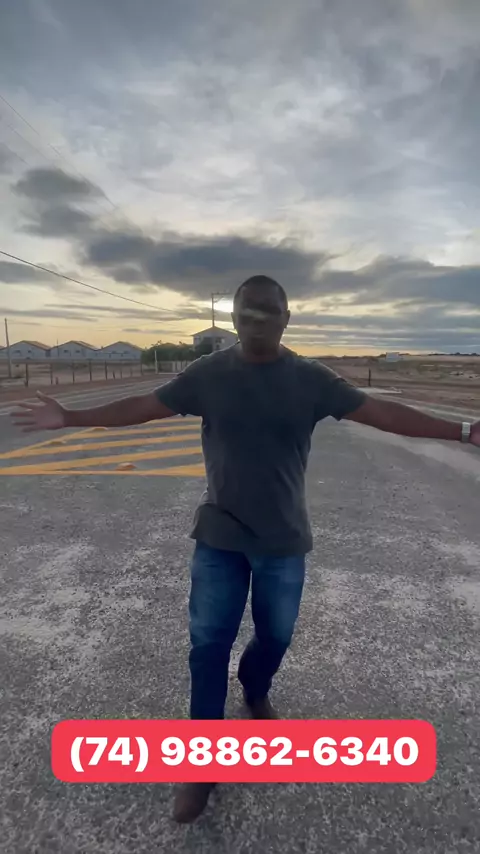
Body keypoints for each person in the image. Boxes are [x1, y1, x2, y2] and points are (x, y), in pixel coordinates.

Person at [12, 274, 480, 823]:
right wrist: (71, 417)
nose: (256, 321)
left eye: (267, 312)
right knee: (207, 646)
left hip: (283, 539)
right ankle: (202, 764)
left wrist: (463, 431)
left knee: (276, 635)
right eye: (246, 312)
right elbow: (143, 405)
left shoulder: (310, 379)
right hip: (220, 535)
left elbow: (384, 413)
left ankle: (255, 689)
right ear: (233, 319)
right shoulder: (208, 374)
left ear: (287, 318)